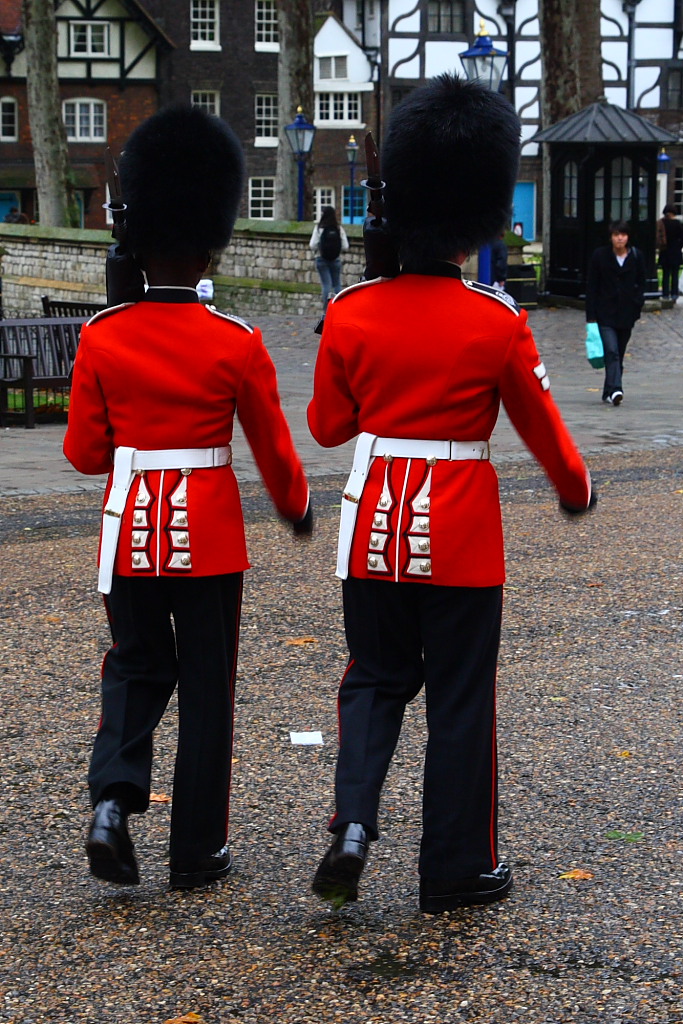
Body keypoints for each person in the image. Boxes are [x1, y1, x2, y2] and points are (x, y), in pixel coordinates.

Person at [307, 74, 596, 915]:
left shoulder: (352, 311)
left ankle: (353, 823)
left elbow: (327, 428)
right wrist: (576, 491)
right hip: (460, 535)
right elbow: (544, 433)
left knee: (371, 678)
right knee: (461, 697)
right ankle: (455, 868)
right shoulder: (493, 318)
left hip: (371, 529)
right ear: (475, 213)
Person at [63, 106, 312, 891]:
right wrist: (296, 505)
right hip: (206, 536)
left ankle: (112, 803)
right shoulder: (234, 338)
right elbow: (273, 448)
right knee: (207, 689)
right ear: (210, 241)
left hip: (129, 529)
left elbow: (82, 454)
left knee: (135, 667)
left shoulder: (102, 333)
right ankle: (196, 851)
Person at [586, 220, 646, 407]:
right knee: (611, 351)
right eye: (616, 234)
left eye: (623, 234)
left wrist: (637, 304)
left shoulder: (636, 256)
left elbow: (641, 283)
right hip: (605, 312)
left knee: (619, 352)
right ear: (611, 237)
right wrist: (591, 315)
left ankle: (608, 390)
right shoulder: (600, 256)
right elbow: (592, 286)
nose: (620, 238)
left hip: (626, 313)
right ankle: (617, 389)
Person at [309, 206, 349, 311]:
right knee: (337, 284)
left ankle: (326, 310)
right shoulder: (339, 228)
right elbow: (345, 246)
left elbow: (312, 245)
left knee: (326, 285)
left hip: (321, 259)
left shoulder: (319, 228)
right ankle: (338, 307)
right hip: (335, 259)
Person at [656, 203, 683, 301]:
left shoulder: (661, 223)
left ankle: (665, 293)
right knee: (675, 274)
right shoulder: (678, 224)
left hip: (665, 251)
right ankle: (674, 293)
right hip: (675, 251)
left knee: (665, 274)